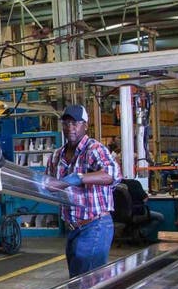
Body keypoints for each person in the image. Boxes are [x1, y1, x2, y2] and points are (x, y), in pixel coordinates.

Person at [46, 104, 122, 278]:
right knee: (76, 281)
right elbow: (49, 182)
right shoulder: (56, 156)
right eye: (66, 123)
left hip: (95, 225)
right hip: (73, 229)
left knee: (89, 282)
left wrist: (79, 178)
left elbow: (112, 174)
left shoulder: (94, 149)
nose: (70, 128)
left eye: (75, 123)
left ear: (85, 125)